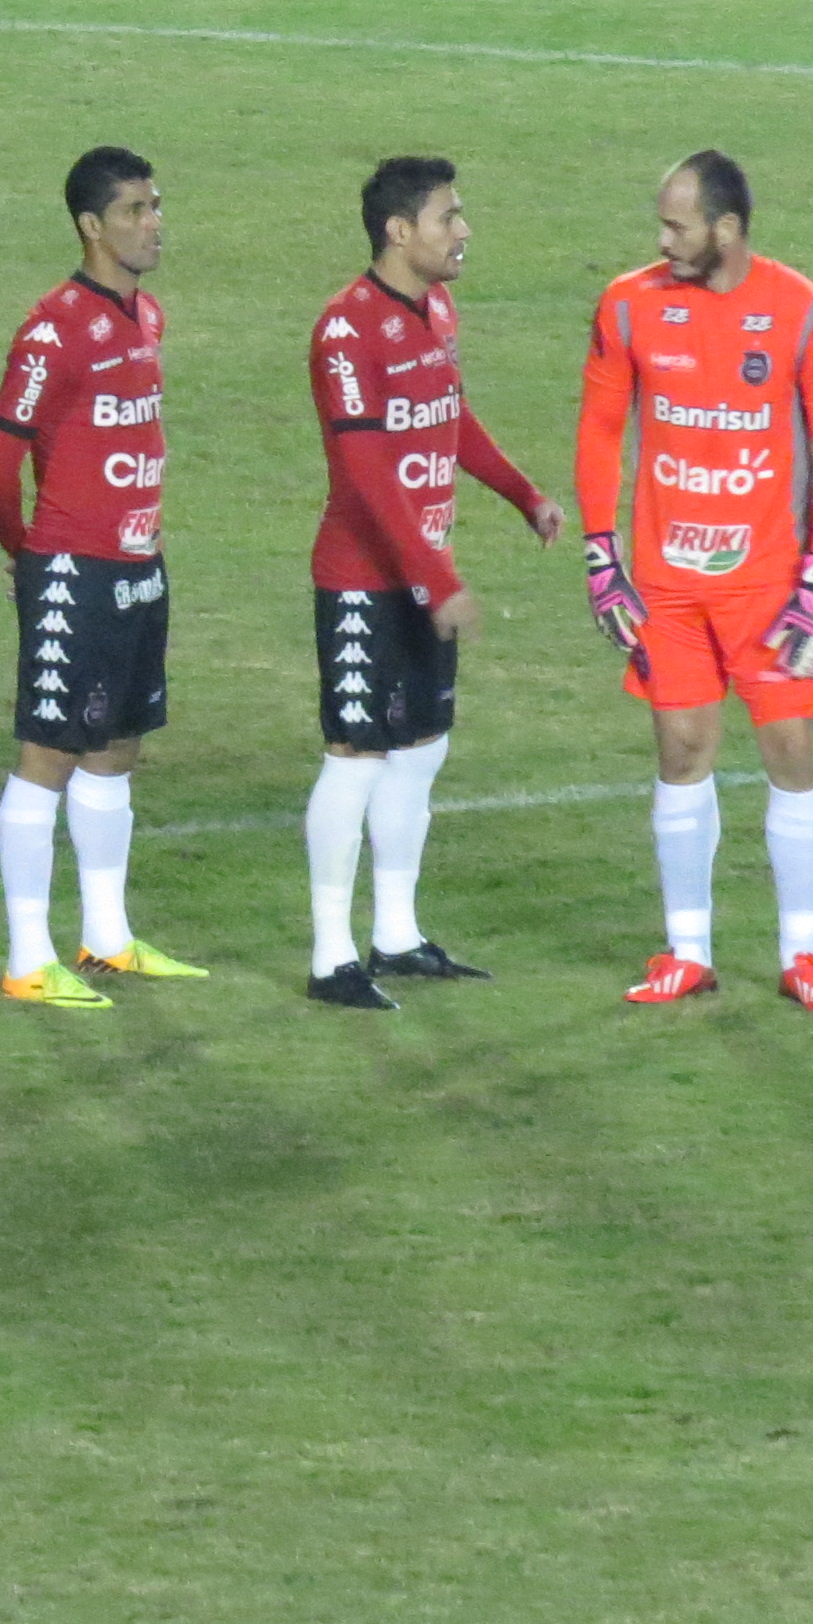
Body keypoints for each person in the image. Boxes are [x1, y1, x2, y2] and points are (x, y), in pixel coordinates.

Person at [575, 148, 813, 1010]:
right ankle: (686, 948)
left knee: (790, 751)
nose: (662, 240)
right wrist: (603, 558)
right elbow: (599, 430)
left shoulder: (806, 315)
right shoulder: (628, 307)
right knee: (682, 751)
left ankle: (804, 953)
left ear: (726, 230)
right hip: (666, 588)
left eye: (677, 225)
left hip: (768, 588)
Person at [301, 156, 561, 1010]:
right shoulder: (346, 331)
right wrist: (435, 577)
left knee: (420, 753)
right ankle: (332, 957)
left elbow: (450, 418)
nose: (463, 230)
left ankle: (397, 935)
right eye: (449, 216)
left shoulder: (437, 310)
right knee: (356, 757)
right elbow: (366, 474)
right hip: (362, 586)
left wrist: (523, 493)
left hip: (422, 578)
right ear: (398, 231)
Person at [0, 145, 206, 1009]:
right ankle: (27, 959)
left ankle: (107, 940)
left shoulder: (146, 317)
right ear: (90, 225)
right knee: (50, 754)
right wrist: (30, 557)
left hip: (140, 565)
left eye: (155, 205)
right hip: (75, 567)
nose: (153, 223)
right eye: (135, 210)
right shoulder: (52, 330)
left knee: (116, 751)